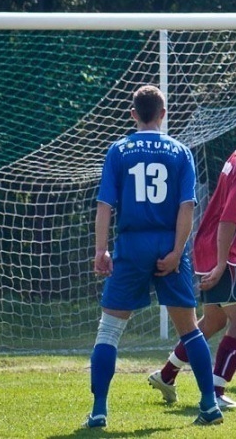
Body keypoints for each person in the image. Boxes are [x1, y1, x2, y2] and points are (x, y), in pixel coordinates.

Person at [86, 85, 222, 428]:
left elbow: (105, 205)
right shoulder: (179, 151)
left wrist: (101, 249)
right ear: (163, 114)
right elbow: (186, 207)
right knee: (190, 331)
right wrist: (178, 251)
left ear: (133, 114)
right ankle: (208, 405)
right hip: (167, 243)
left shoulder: (119, 150)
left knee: (109, 331)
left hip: (131, 245)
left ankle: (100, 411)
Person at [148, 105, 236, 411]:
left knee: (215, 319)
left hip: (210, 247)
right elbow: (228, 219)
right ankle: (216, 391)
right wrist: (220, 263)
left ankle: (167, 374)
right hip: (222, 252)